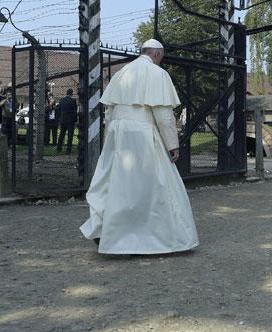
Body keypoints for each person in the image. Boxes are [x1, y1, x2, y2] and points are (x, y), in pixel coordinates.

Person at [80, 39, 199, 255]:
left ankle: (108, 231)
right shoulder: (158, 74)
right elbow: (163, 114)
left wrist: (110, 140)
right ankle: (151, 237)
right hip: (142, 133)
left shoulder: (121, 73)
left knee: (115, 183)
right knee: (151, 185)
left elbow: (110, 112)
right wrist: (172, 144)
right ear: (157, 54)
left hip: (118, 133)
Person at [55, 88, 78, 153]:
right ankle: (68, 149)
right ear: (72, 93)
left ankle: (59, 148)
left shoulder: (62, 100)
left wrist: (60, 118)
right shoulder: (73, 101)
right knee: (70, 135)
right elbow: (75, 111)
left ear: (66, 93)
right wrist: (75, 119)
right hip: (70, 120)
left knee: (62, 134)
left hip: (63, 119)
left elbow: (58, 109)